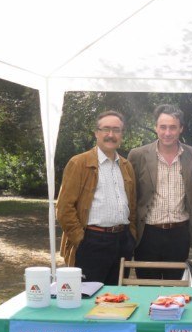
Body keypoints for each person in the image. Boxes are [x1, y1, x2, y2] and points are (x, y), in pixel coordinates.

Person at [56, 110, 136, 285]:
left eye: (116, 130)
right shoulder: (79, 163)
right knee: (88, 299)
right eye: (106, 129)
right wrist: (81, 240)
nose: (110, 135)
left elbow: (133, 206)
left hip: (122, 241)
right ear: (96, 133)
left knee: (117, 297)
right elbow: (64, 209)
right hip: (92, 241)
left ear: (122, 134)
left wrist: (131, 237)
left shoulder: (126, 165)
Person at [128, 104, 192, 280]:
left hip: (179, 234)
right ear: (156, 127)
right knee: (147, 288)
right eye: (163, 127)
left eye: (173, 127)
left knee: (175, 290)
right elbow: (130, 194)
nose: (167, 132)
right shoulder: (137, 155)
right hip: (147, 234)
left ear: (181, 128)